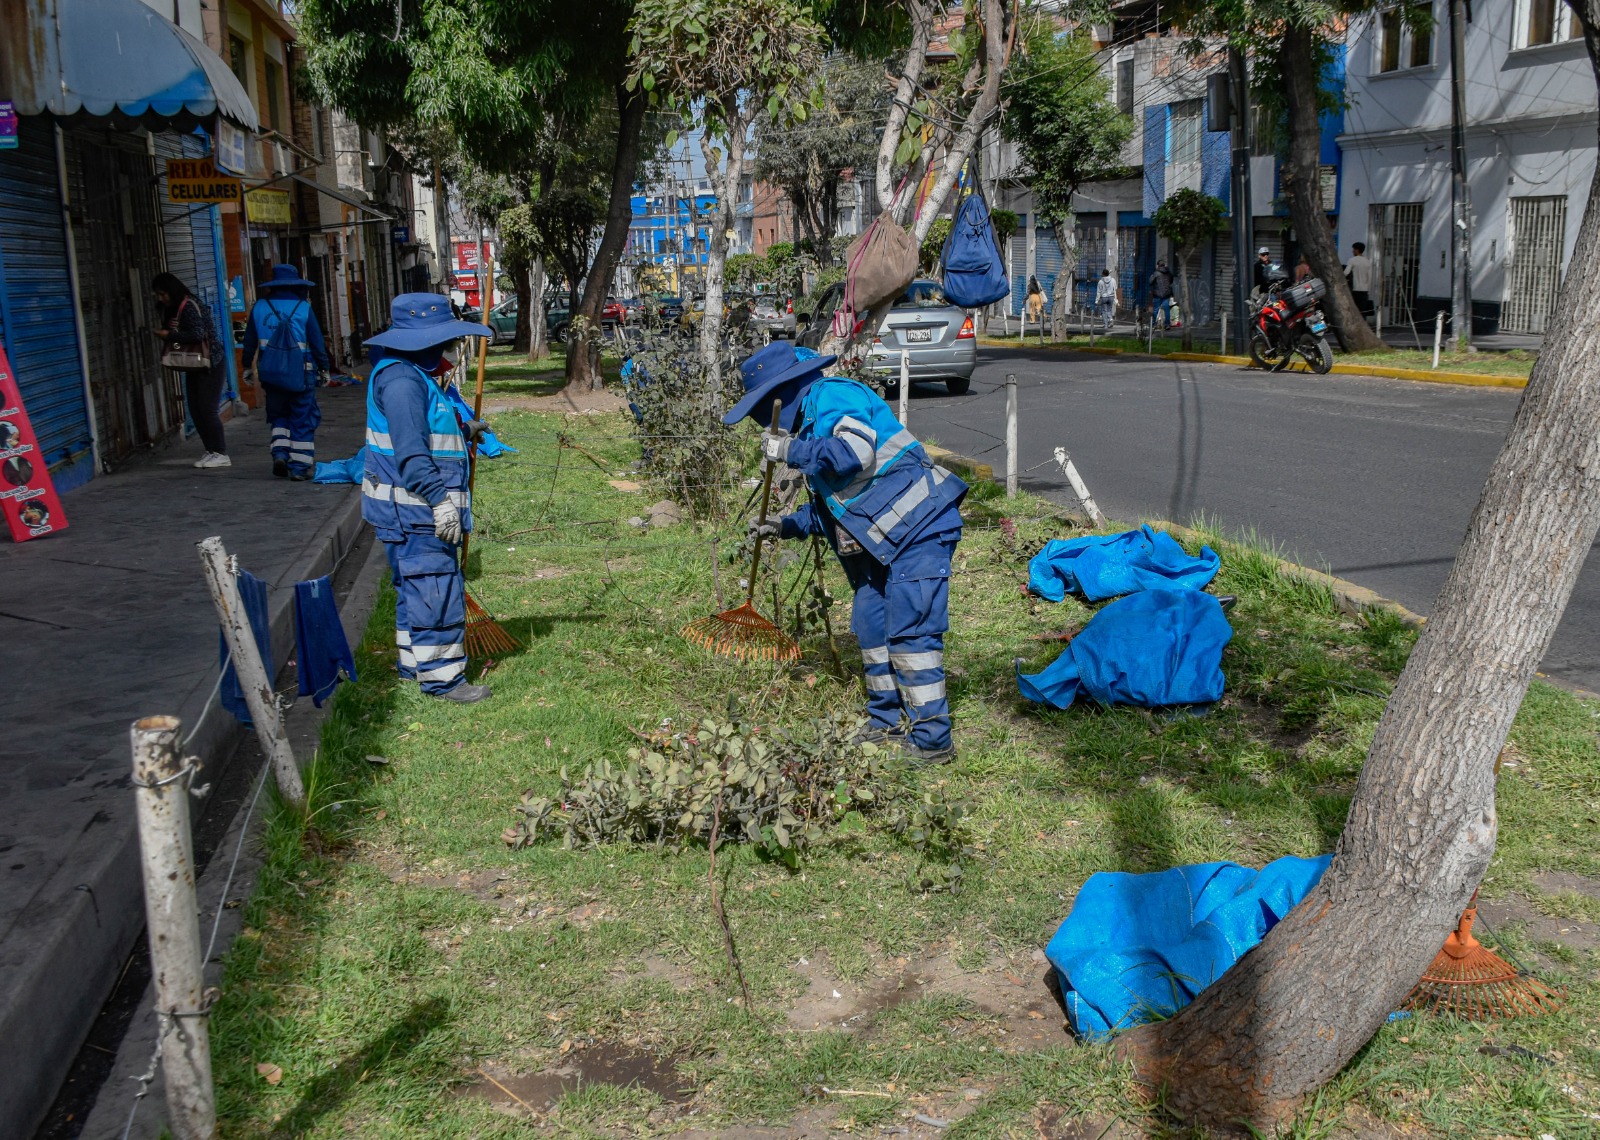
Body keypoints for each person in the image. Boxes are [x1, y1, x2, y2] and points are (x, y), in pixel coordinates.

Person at [728, 342, 967, 763]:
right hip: (880, 544)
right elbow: (836, 513)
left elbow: (854, 456)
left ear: (779, 395)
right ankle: (886, 722)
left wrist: (789, 452)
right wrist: (783, 526)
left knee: (911, 631)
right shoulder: (809, 426)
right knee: (871, 625)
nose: (760, 421)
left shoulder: (833, 396)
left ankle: (932, 741)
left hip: (920, 529)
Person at [362, 294, 494, 704]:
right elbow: (413, 455)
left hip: (405, 512)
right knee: (434, 590)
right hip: (417, 512)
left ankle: (413, 665)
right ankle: (443, 679)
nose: (448, 350)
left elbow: (426, 431)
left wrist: (463, 429)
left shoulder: (410, 376)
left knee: (414, 590)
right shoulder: (402, 382)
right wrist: (440, 503)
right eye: (443, 341)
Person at [243, 264, 331, 480]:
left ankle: (280, 454)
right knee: (302, 417)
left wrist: (247, 367)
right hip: (301, 375)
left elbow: (249, 343)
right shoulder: (303, 308)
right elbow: (317, 343)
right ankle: (299, 467)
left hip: (271, 375)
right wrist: (325, 368)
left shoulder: (259, 307)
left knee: (278, 415)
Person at [151, 272, 229, 469]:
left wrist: (170, 335)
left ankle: (220, 452)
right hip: (195, 364)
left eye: (162, 294)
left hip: (211, 362)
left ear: (171, 291)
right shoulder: (175, 308)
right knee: (195, 408)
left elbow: (197, 334)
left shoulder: (188, 306)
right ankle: (210, 450)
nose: (161, 299)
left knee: (207, 408)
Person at [1345, 242, 1375, 322]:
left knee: (1354, 310)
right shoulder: (1367, 261)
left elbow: (1346, 273)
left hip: (1355, 289)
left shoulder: (1352, 260)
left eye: (1353, 249)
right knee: (1363, 311)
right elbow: (1370, 277)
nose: (1352, 251)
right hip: (1364, 290)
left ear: (1357, 250)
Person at [1149, 260, 1175, 330]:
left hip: (1157, 294)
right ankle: (1167, 325)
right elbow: (1171, 281)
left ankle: (1154, 324)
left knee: (1156, 310)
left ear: (1158, 265)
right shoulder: (1168, 273)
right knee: (1167, 309)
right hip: (1166, 294)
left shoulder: (1156, 273)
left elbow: (1150, 281)